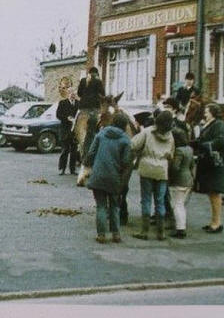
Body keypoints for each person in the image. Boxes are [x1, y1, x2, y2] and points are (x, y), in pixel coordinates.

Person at [85, 112, 132, 244]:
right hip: (114, 177)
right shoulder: (126, 140)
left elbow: (91, 153)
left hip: (98, 176)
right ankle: (116, 234)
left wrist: (90, 165)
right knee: (114, 206)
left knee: (101, 206)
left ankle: (101, 235)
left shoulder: (101, 134)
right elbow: (126, 162)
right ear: (125, 125)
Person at [130, 110, 175, 241]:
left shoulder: (148, 131)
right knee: (160, 201)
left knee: (146, 200)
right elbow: (171, 154)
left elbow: (133, 144)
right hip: (162, 170)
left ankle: (144, 231)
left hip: (146, 168)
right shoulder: (170, 136)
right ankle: (161, 233)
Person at [194, 103, 224, 234]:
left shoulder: (219, 125)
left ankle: (217, 223)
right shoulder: (209, 124)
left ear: (213, 113)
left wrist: (204, 145)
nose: (205, 114)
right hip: (209, 164)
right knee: (212, 194)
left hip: (216, 164)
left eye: (207, 112)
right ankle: (214, 221)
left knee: (215, 194)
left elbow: (220, 141)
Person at [168, 125, 194, 239]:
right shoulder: (189, 149)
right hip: (188, 179)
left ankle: (180, 229)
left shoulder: (178, 151)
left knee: (177, 205)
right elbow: (192, 165)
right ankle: (180, 226)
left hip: (179, 181)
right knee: (181, 205)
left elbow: (175, 167)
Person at [56, 90, 79, 175]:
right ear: (68, 94)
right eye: (71, 94)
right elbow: (58, 115)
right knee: (65, 150)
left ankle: (72, 170)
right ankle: (62, 169)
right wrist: (67, 118)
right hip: (65, 130)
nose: (72, 96)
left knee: (74, 151)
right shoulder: (62, 103)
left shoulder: (78, 103)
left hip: (75, 132)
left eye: (74, 94)